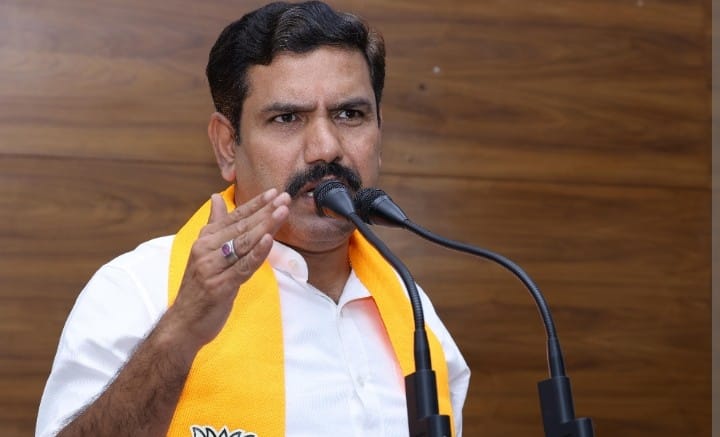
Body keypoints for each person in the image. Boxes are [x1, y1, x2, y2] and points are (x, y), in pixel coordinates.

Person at [36, 2, 470, 436]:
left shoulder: (417, 316)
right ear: (228, 146)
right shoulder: (140, 290)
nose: (326, 147)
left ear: (379, 133)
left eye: (349, 115)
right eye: (287, 118)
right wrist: (181, 331)